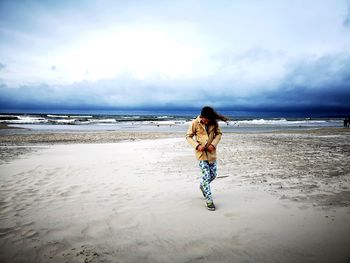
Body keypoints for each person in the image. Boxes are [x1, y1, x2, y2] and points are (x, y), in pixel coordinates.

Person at [186, 106, 228, 211]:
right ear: (202, 116)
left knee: (213, 175)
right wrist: (197, 146)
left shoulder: (214, 123)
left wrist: (213, 144)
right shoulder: (195, 123)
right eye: (206, 119)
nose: (207, 121)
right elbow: (188, 136)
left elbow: (219, 134)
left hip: (211, 153)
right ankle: (209, 200)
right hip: (201, 155)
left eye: (209, 119)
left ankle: (203, 186)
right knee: (206, 176)